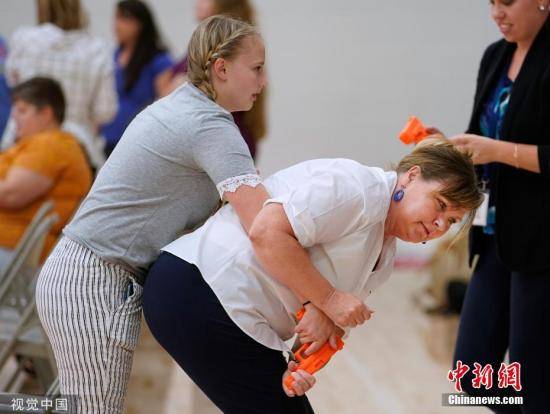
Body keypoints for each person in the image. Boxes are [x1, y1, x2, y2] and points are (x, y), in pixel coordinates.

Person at [35, 15, 365, 414]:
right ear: (221, 69)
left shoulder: (184, 108)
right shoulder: (209, 126)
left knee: (77, 407)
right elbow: (264, 228)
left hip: (83, 271)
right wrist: (321, 301)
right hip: (94, 278)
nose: (263, 83)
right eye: (257, 69)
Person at [142, 138, 483, 414]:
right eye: (440, 205)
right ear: (411, 176)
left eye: (451, 221)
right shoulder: (357, 187)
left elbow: (321, 327)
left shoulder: (385, 255)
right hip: (196, 288)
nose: (440, 224)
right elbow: (266, 232)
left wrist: (299, 368)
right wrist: (329, 300)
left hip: (227, 310)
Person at [449, 1, 550, 412]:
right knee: (472, 376)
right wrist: (455, 148)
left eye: (507, 2)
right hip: (497, 237)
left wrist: (496, 151)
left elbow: (500, 148)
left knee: (534, 383)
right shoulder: (496, 55)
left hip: (543, 243)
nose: (496, 12)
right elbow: (482, 139)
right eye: (490, 2)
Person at [4, 0, 117, 169]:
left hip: (22, 141)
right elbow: (105, 111)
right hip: (78, 144)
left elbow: (14, 85)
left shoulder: (23, 39)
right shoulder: (97, 49)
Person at [0, 77, 92, 269]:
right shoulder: (42, 144)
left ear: (46, 113)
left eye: (22, 110)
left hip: (13, 249)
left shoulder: (51, 145)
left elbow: (10, 194)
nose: (14, 116)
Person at [168, 0, 267, 158]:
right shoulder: (203, 48)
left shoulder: (231, 47)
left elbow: (174, 88)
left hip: (224, 143)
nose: (197, 2)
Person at [100, 0, 173, 157]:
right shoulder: (113, 55)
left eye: (123, 19)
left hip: (140, 140)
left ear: (140, 23)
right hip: (109, 137)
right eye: (116, 18)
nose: (117, 25)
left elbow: (166, 102)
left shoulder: (158, 59)